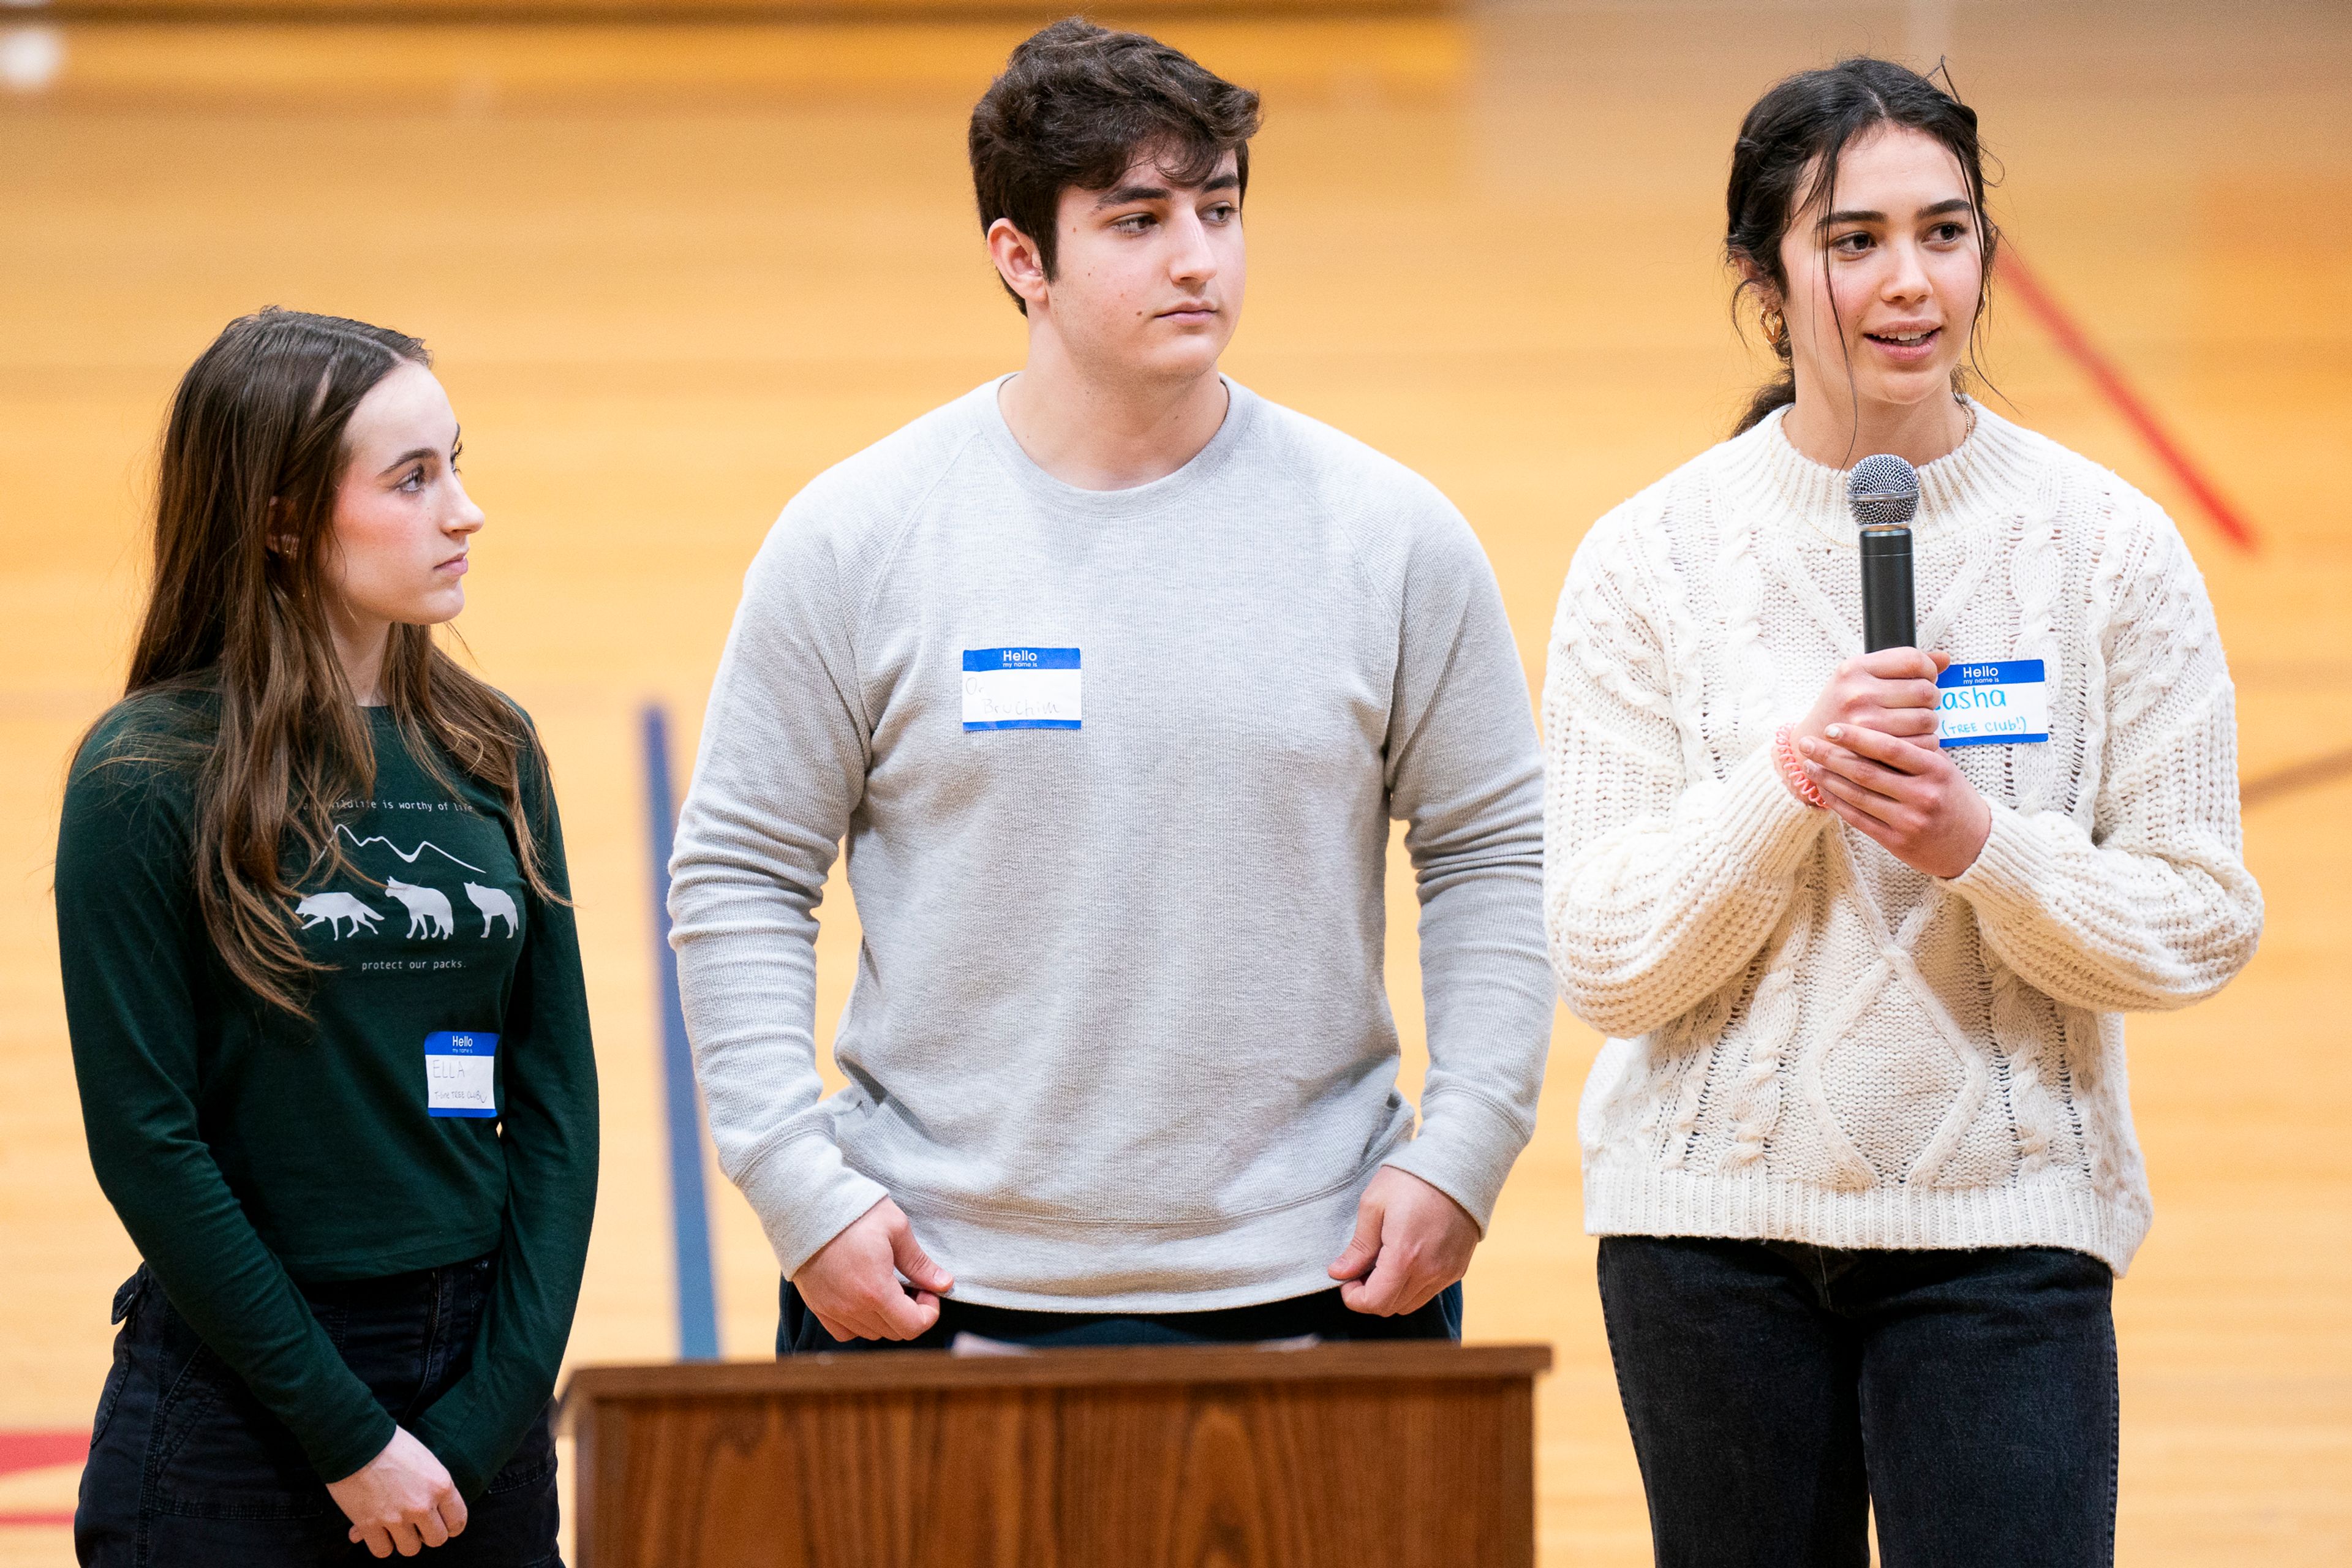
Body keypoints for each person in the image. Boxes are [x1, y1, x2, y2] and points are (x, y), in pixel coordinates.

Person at [669, 18, 1553, 1354]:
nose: (1199, 256)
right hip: (933, 1289)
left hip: (1322, 1279)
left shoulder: (1393, 534)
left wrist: (1467, 1145)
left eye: (1220, 208)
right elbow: (738, 869)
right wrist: (799, 1187)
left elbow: (1495, 846)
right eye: (1138, 219)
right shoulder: (857, 534)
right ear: (1020, 257)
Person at [1542, 57, 2263, 1568]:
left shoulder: (2110, 550)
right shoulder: (1646, 560)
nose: (1908, 281)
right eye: (1851, 239)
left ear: (1990, 252)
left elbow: (2200, 915)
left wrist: (1979, 848)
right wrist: (1788, 780)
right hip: (1707, 1239)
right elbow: (1606, 961)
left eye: (1945, 231)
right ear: (1765, 273)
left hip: (2007, 1236)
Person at [61, 309, 599, 1564]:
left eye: (456, 464)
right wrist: (348, 1435)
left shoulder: (493, 747)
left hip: (480, 1398)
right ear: (283, 519)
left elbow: (558, 1098)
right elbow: (148, 1141)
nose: (464, 511)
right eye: (412, 480)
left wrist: (486, 1414)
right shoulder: (146, 772)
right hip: (240, 1399)